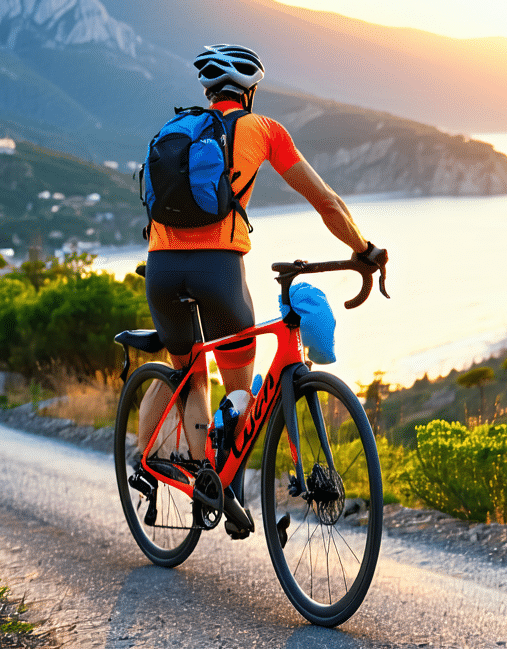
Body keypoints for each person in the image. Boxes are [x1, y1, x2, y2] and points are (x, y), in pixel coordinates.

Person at [137, 44, 386, 480]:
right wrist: (363, 248)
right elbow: (327, 203)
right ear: (249, 91)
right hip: (218, 270)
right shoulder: (265, 129)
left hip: (161, 267)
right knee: (237, 391)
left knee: (188, 373)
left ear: (210, 90)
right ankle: (218, 463)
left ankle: (168, 471)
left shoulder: (176, 128)